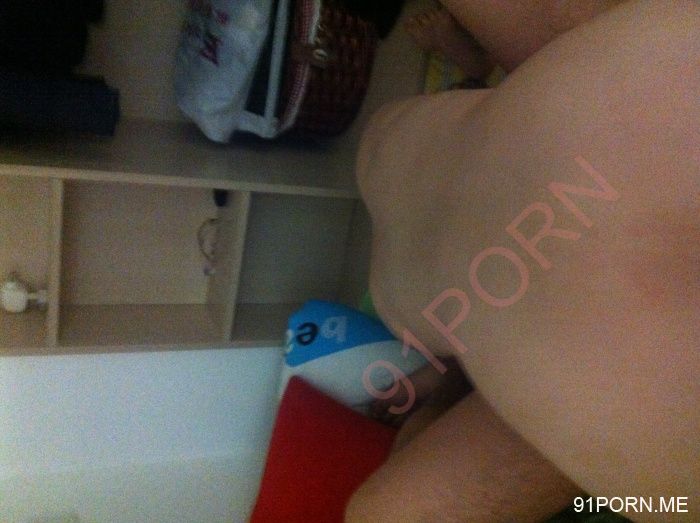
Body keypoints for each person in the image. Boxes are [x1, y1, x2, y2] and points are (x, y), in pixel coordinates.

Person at [345, 0, 699, 521]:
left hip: (400, 149)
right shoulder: (666, 459)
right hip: (438, 308)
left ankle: (478, 76)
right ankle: (467, 374)